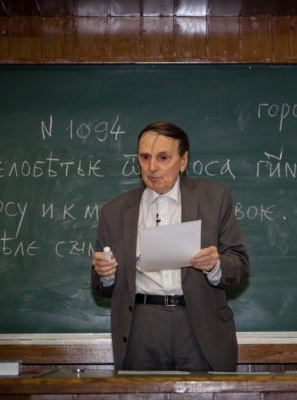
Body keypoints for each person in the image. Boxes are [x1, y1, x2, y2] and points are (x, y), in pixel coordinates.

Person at [91, 121, 250, 372]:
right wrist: (105, 274)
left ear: (183, 161)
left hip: (199, 323)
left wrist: (216, 265)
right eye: (145, 157)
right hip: (141, 326)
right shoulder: (114, 211)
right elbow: (101, 287)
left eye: (163, 158)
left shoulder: (215, 198)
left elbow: (239, 266)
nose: (152, 167)